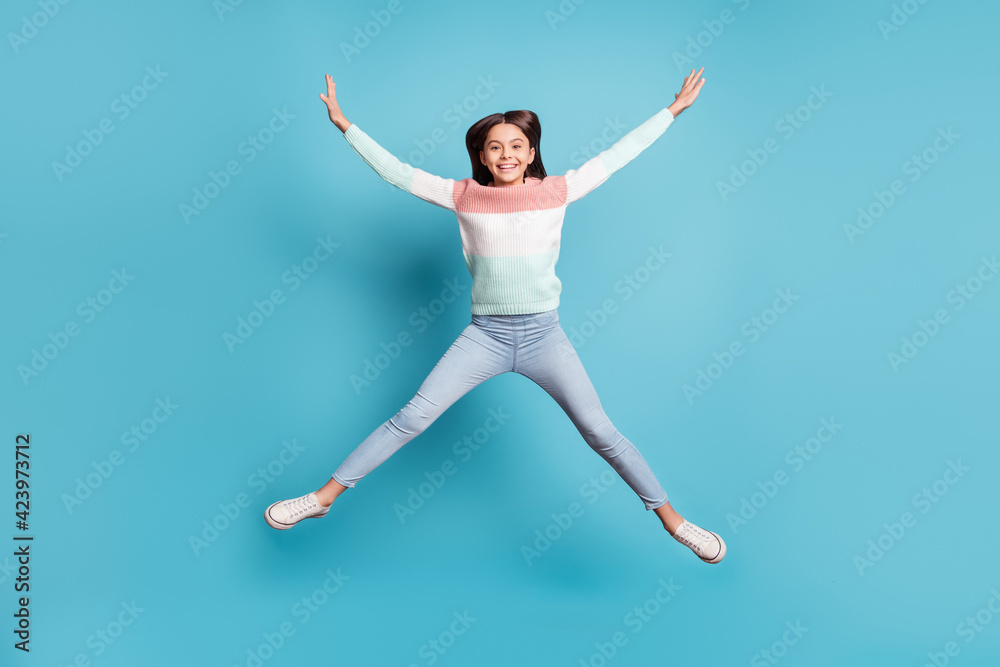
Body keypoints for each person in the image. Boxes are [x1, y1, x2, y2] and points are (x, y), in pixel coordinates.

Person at [265, 67, 726, 564]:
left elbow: (617, 156)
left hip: (544, 337)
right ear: (481, 156)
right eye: (494, 147)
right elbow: (396, 172)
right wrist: (344, 124)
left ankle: (675, 523)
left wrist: (671, 112)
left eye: (516, 145)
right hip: (485, 337)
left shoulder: (558, 191)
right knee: (413, 417)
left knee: (599, 431)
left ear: (531, 153)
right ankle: (323, 498)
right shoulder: (464, 195)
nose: (506, 154)